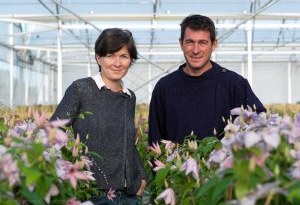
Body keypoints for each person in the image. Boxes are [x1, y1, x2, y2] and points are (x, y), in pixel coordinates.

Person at [50, 28, 147, 204]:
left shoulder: (129, 96)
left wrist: (141, 175)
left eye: (124, 56)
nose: (117, 63)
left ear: (131, 60)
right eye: (110, 55)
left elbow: (128, 143)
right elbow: (52, 131)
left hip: (129, 196)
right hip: (93, 194)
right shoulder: (82, 89)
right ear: (98, 58)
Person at [148, 14, 266, 145]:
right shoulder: (165, 87)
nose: (196, 50)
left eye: (202, 42)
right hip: (175, 165)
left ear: (214, 44)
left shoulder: (234, 84)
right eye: (190, 42)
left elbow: (259, 124)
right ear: (181, 43)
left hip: (224, 165)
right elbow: (155, 141)